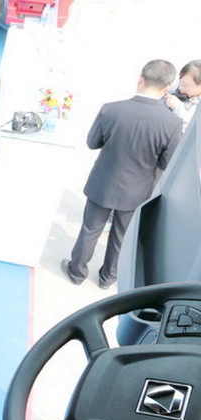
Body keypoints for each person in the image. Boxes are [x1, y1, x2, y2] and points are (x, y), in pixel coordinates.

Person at [62, 59, 182, 289]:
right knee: (122, 237)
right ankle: (107, 278)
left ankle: (76, 272)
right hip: (137, 190)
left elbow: (92, 143)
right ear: (167, 88)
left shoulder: (111, 109)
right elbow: (166, 163)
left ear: (140, 78)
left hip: (103, 183)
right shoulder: (172, 123)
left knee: (90, 230)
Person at [165, 59, 201, 132]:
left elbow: (193, 129)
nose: (180, 88)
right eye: (180, 82)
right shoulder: (177, 90)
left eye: (185, 85)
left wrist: (178, 107)